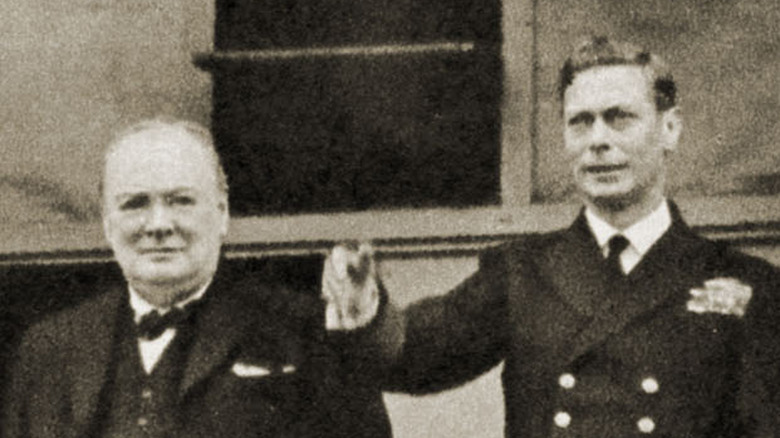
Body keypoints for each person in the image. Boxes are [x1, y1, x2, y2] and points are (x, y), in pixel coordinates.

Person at [323, 37, 780, 437]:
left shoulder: (748, 284)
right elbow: (415, 356)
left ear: (670, 129)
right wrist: (365, 308)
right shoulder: (522, 272)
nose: (597, 141)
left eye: (619, 118)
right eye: (580, 122)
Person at [2, 118, 391, 438]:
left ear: (222, 214)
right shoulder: (49, 348)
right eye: (135, 204)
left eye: (181, 201)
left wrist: (351, 340)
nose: (158, 225)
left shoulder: (298, 329)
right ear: (107, 224)